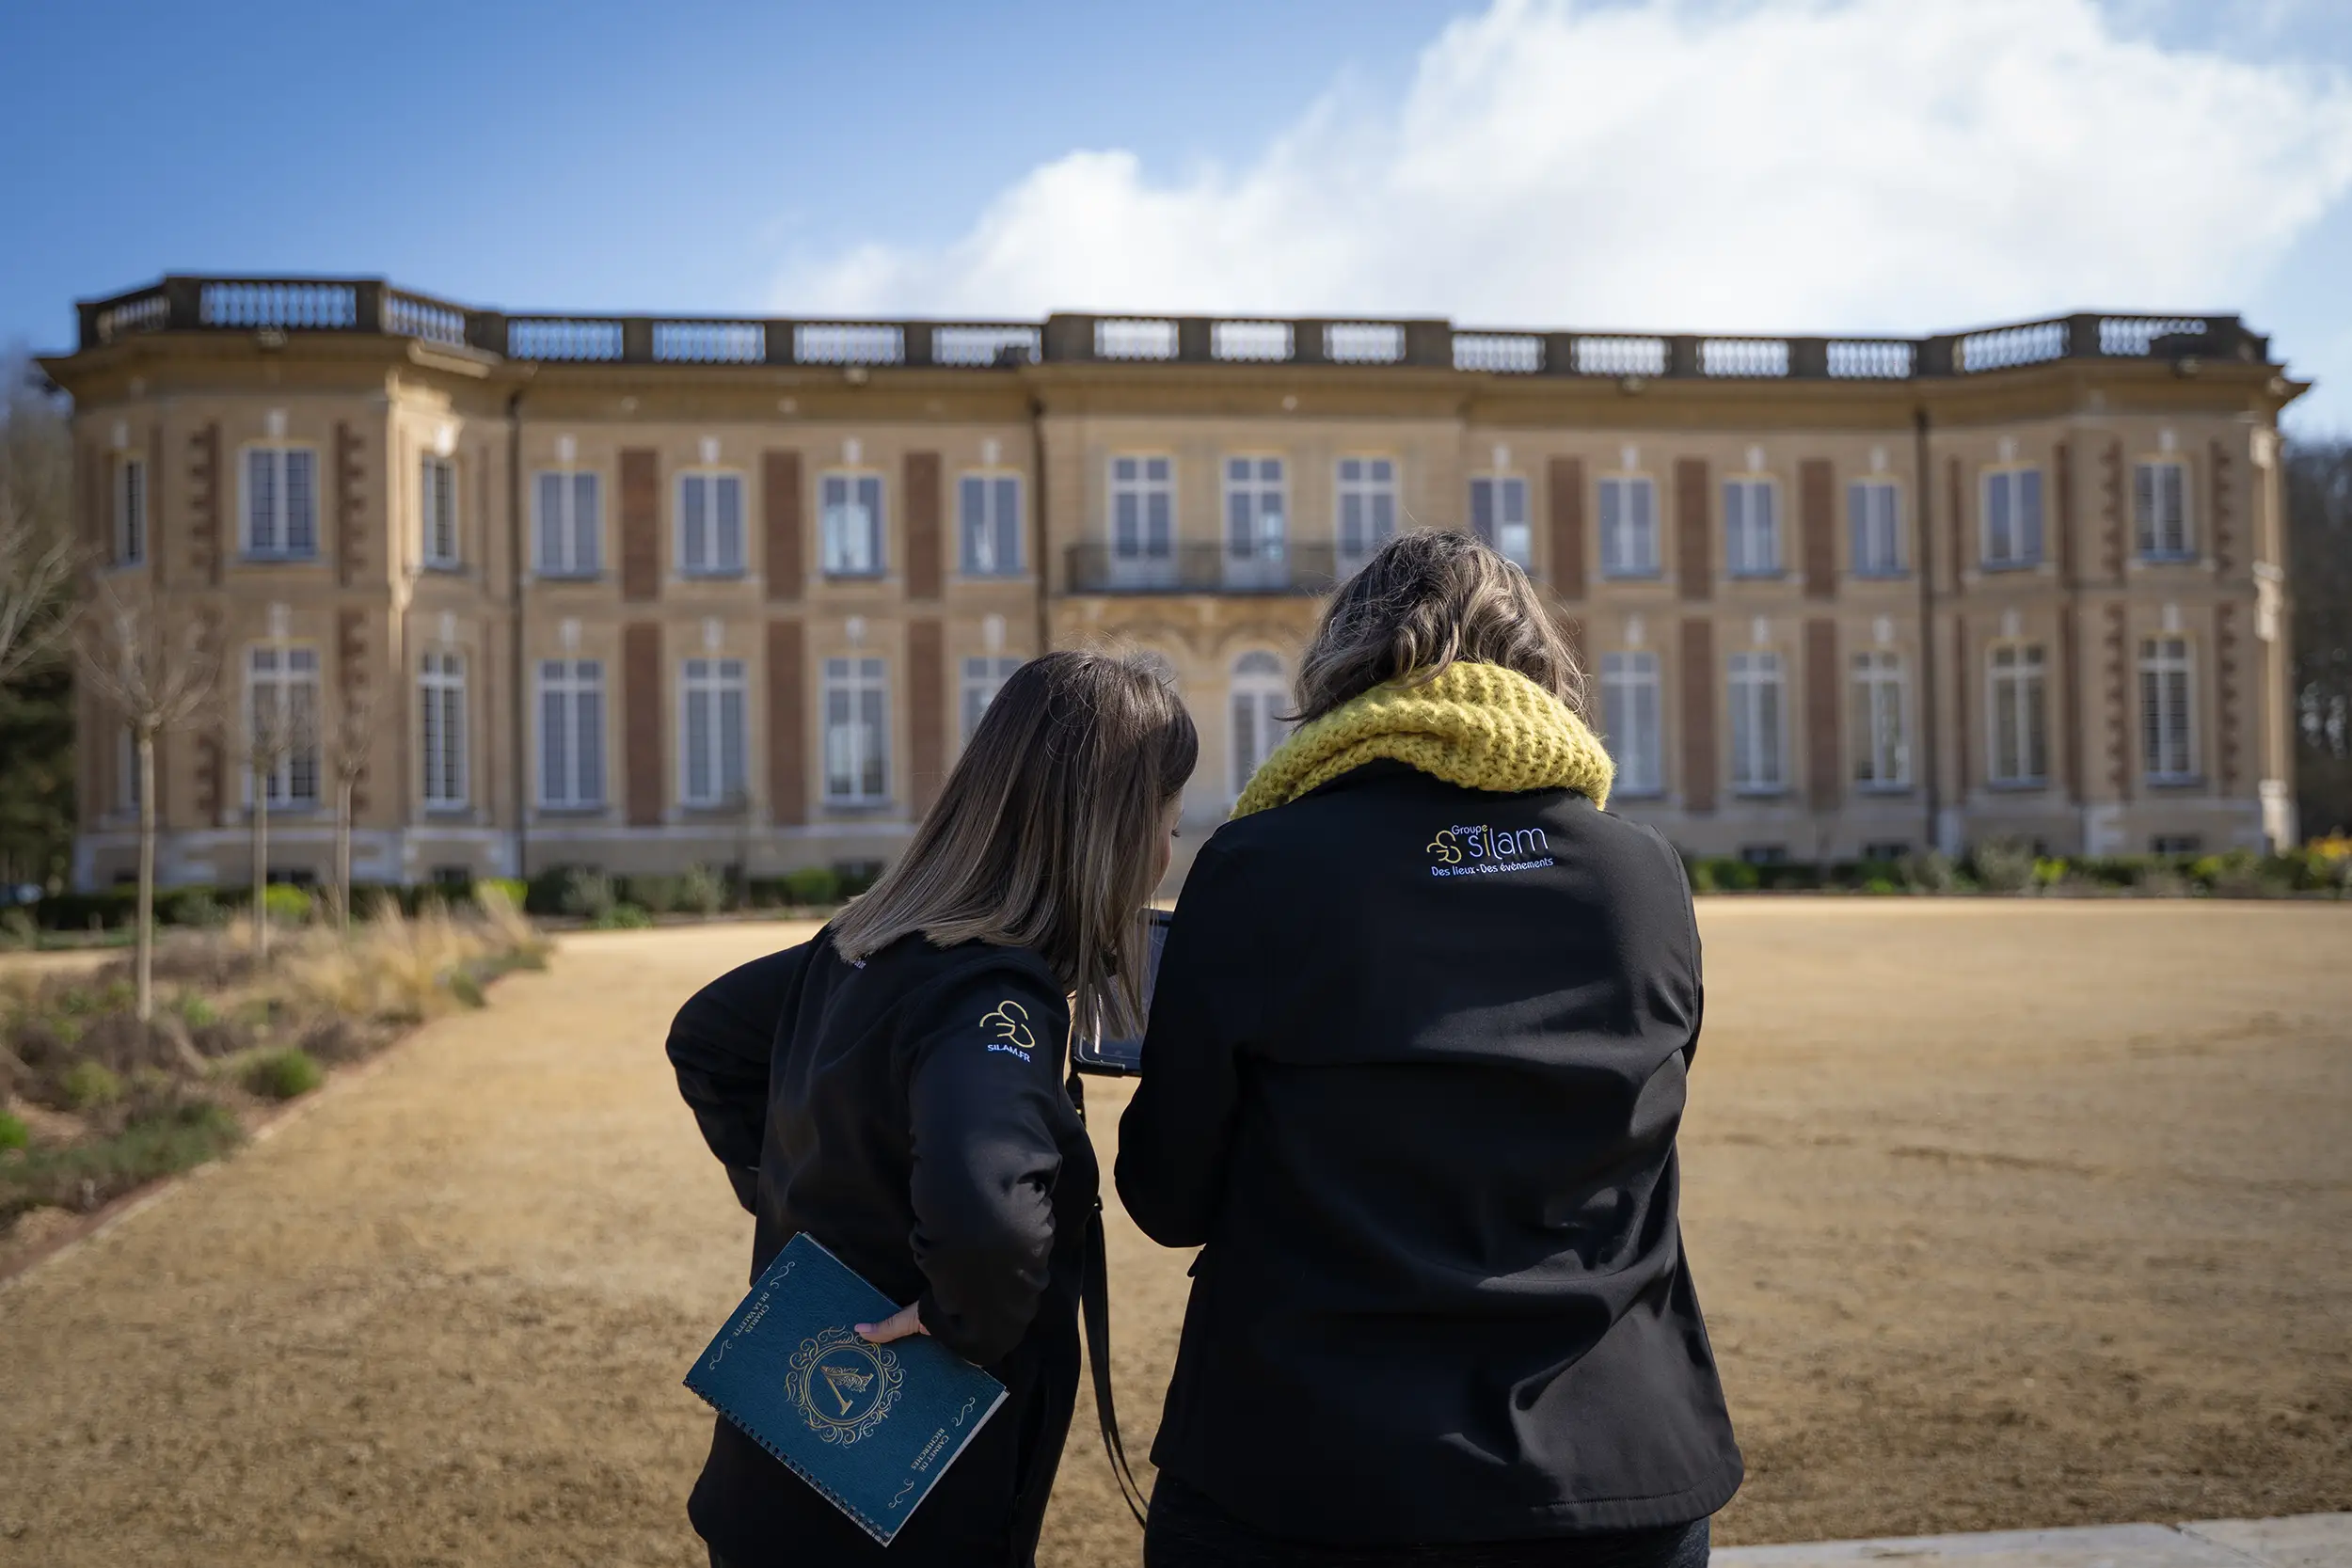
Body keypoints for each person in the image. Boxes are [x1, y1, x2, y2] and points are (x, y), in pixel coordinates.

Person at [1117, 530, 1740, 1568]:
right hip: (1614, 1466)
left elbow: (1167, 1194)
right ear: (1541, 664)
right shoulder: (1642, 875)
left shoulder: (1261, 865)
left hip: (1314, 1469)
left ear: (1345, 668)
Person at [668, 649, 1197, 1568]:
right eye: (1165, 821)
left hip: (777, 1474)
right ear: (1104, 833)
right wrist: (958, 1313)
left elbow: (709, 1036)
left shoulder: (864, 944)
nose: (1166, 850)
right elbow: (988, 1218)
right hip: (904, 1507)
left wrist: (805, 1196)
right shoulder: (992, 993)